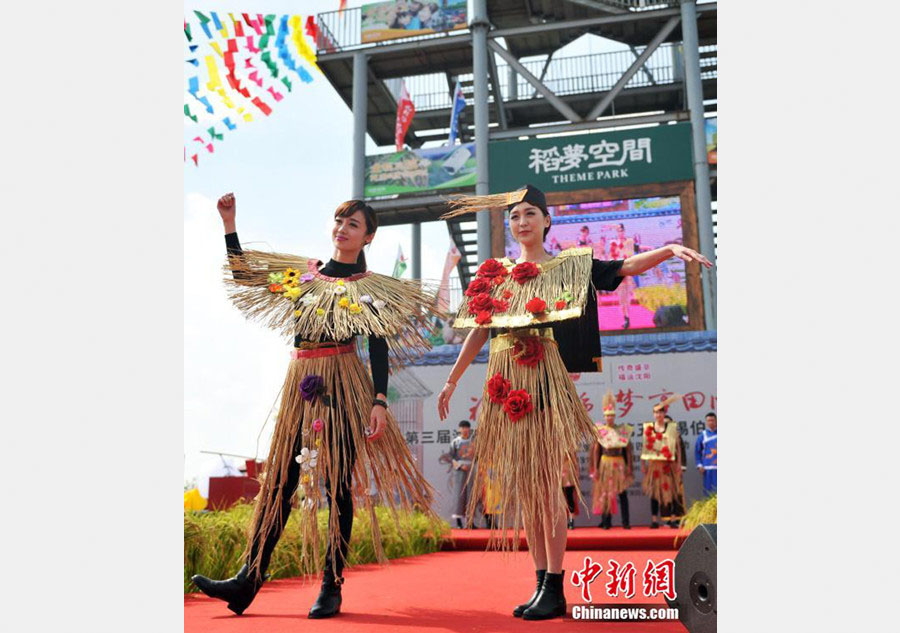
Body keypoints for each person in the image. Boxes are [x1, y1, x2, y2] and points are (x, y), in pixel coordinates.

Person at [436, 184, 711, 620]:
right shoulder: (497, 274)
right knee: (528, 490)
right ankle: (541, 583)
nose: (522, 221)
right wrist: (452, 380)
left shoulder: (570, 266)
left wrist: (668, 249)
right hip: (504, 384)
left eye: (530, 214)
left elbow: (621, 267)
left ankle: (555, 584)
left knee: (546, 488)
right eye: (515, 216)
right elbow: (479, 329)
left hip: (543, 380)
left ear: (547, 221)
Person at [191, 194, 441, 619]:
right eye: (340, 219)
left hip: (344, 385)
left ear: (369, 237)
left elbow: (377, 347)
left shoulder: (370, 288)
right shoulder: (303, 276)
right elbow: (244, 274)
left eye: (354, 224)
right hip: (300, 385)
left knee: (338, 487)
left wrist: (379, 400)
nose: (343, 227)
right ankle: (248, 578)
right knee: (279, 484)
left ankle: (332, 585)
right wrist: (229, 224)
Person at [641, 398, 687, 528]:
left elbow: (677, 446)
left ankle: (673, 518)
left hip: (669, 465)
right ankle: (654, 519)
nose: (658, 415)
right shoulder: (649, 428)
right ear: (653, 414)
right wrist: (643, 464)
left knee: (671, 492)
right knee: (655, 492)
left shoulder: (672, 428)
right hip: (654, 465)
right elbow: (645, 447)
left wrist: (678, 464)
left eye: (660, 412)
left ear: (664, 414)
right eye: (656, 412)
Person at [590, 391, 633, 530]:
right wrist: (595, 469)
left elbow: (628, 450)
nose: (610, 418)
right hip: (605, 463)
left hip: (619, 462)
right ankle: (606, 521)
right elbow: (596, 450)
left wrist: (629, 467)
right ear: (604, 417)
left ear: (615, 417)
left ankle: (625, 522)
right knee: (605, 493)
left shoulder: (621, 430)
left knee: (622, 493)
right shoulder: (600, 430)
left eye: (612, 416)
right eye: (607, 416)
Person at [449, 420, 475, 528]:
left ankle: (470, 522)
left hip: (471, 470)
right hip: (459, 470)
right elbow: (452, 458)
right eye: (463, 427)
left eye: (467, 427)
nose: (465, 429)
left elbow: (477, 457)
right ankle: (459, 523)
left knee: (471, 495)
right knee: (459, 494)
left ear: (469, 429)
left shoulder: (473, 442)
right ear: (459, 429)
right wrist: (460, 466)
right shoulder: (455, 442)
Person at [694, 411, 718, 495]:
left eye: (712, 420)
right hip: (707, 468)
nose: (711, 422)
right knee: (708, 492)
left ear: (716, 421)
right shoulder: (702, 435)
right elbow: (697, 451)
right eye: (709, 420)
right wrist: (699, 465)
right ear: (706, 422)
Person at [561, 451, 580, 530]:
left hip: (568, 471)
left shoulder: (570, 444)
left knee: (569, 497)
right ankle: (562, 521)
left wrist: (576, 473)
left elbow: (574, 459)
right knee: (560, 499)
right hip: (558, 471)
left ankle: (571, 520)